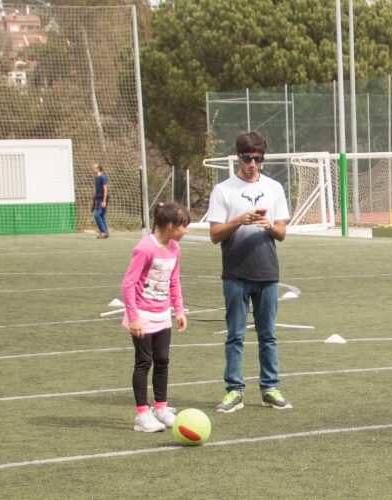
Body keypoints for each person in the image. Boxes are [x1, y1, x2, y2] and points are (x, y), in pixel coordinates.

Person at [206, 131, 293, 412]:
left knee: (268, 335)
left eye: (257, 159)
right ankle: (234, 390)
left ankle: (270, 388)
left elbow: (281, 233)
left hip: (267, 272)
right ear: (238, 157)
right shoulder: (223, 190)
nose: (252, 164)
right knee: (235, 335)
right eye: (247, 158)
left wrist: (268, 225)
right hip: (235, 273)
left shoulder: (275, 188)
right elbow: (215, 234)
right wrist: (239, 221)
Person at [121, 202, 190, 432]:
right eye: (184, 226)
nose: (186, 230)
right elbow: (128, 284)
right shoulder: (145, 249)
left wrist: (178, 310)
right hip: (142, 315)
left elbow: (174, 281)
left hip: (162, 315)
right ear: (170, 226)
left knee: (163, 360)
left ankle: (161, 407)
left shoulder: (174, 249)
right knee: (144, 362)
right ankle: (142, 414)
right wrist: (133, 318)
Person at [91, 163, 109, 239]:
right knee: (101, 215)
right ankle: (106, 232)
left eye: (94, 167)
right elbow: (96, 189)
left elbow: (105, 190)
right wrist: (93, 199)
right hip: (97, 199)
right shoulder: (95, 178)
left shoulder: (103, 177)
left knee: (96, 215)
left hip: (102, 199)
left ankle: (103, 231)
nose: (93, 169)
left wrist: (104, 201)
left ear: (98, 168)